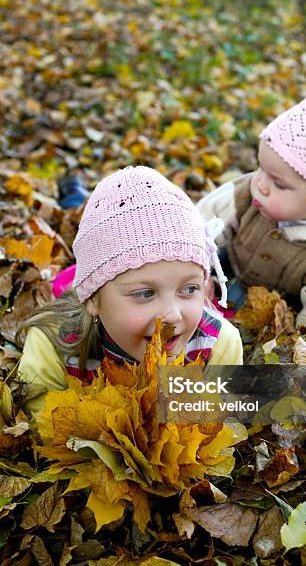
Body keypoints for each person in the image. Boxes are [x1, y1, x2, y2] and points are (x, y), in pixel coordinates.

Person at [17, 166, 243, 415]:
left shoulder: (218, 346)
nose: (172, 315)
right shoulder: (54, 346)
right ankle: (73, 193)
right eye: (145, 293)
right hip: (86, 281)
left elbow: (222, 427)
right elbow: (44, 427)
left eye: (189, 289)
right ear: (93, 299)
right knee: (68, 276)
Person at [196, 87, 306, 325]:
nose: (260, 183)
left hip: (279, 308)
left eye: (279, 183)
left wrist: (297, 339)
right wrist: (196, 272)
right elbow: (200, 223)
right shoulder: (250, 191)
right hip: (230, 264)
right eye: (261, 168)